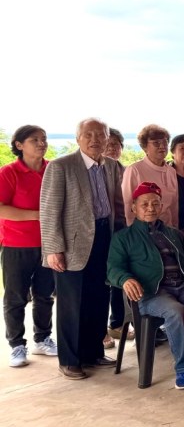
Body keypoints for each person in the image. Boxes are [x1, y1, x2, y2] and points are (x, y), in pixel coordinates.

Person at [106, 182, 184, 389]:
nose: (150, 208)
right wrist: (125, 279)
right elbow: (113, 269)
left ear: (162, 206)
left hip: (183, 286)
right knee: (176, 311)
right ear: (134, 207)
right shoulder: (123, 238)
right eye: (144, 204)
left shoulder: (174, 234)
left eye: (155, 203)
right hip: (150, 292)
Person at [41, 118, 126, 380]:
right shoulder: (61, 166)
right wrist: (53, 249)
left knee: (99, 298)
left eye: (100, 135)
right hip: (72, 245)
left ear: (107, 138)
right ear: (78, 138)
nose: (94, 140)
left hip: (104, 239)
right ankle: (70, 360)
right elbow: (49, 211)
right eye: (88, 135)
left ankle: (93, 352)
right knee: (72, 304)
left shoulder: (111, 165)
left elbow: (117, 205)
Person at [1, 125, 58, 367]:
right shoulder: (9, 172)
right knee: (16, 297)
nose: (41, 143)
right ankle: (17, 345)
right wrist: (37, 216)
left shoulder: (53, 169)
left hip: (49, 244)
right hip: (16, 244)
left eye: (44, 139)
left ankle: (43, 339)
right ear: (19, 145)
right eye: (34, 139)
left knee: (45, 295)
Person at [122, 124, 178, 226]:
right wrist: (134, 231)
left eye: (165, 142)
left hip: (167, 228)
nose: (162, 146)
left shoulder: (171, 171)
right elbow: (128, 205)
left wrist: (174, 229)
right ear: (144, 147)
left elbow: (174, 205)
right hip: (144, 229)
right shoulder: (134, 170)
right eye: (156, 143)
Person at [102, 129, 128, 348]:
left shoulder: (125, 170)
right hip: (101, 233)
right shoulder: (96, 169)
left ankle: (118, 323)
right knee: (101, 282)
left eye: (116, 144)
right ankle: (99, 329)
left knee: (119, 279)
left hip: (122, 232)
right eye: (107, 144)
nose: (111, 148)